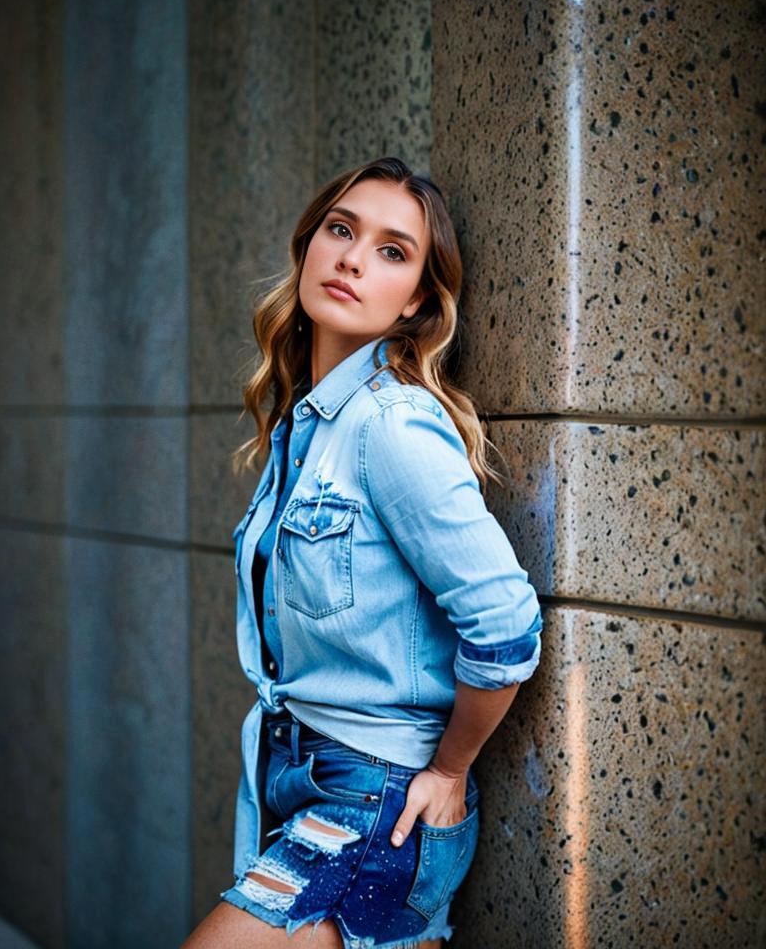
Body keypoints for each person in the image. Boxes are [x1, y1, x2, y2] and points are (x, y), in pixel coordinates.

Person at [182, 156, 544, 949]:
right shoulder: (308, 431)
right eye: (341, 231)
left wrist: (450, 771)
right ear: (309, 245)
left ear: (416, 298)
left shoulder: (392, 426)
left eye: (392, 250)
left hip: (375, 802)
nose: (351, 258)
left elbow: (508, 627)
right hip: (296, 774)